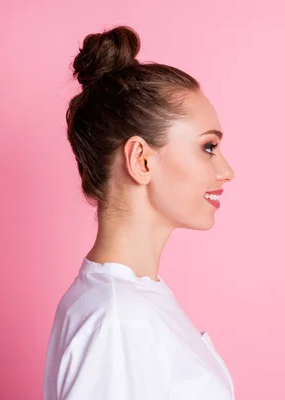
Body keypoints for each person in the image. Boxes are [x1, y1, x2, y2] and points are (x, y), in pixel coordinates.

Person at [42, 25, 236, 400]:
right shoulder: (116, 317)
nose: (227, 171)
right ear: (141, 160)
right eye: (208, 147)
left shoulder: (132, 301)